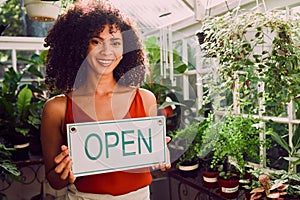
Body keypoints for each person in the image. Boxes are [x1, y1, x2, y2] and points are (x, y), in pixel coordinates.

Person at [40, 0, 171, 199]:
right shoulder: (57, 108)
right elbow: (54, 181)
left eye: (116, 42)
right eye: (96, 41)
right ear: (79, 46)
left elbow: (152, 164)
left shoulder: (145, 99)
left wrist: (161, 155)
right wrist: (64, 173)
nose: (107, 51)